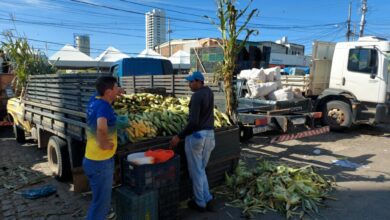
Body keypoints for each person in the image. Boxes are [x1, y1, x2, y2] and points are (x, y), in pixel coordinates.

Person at [170, 71, 216, 212]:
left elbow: (194, 123)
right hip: (210, 135)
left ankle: (200, 202)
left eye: (191, 82)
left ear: (199, 81)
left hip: (197, 137)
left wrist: (179, 136)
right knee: (201, 170)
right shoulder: (209, 92)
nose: (189, 84)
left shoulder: (197, 96)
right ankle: (207, 198)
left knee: (196, 171)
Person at [82, 76, 122, 220]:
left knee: (98, 200)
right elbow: (101, 128)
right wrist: (104, 143)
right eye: (116, 87)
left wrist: (117, 91)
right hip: (101, 162)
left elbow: (101, 91)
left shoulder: (95, 100)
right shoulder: (104, 106)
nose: (118, 89)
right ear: (108, 91)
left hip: (91, 159)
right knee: (101, 205)